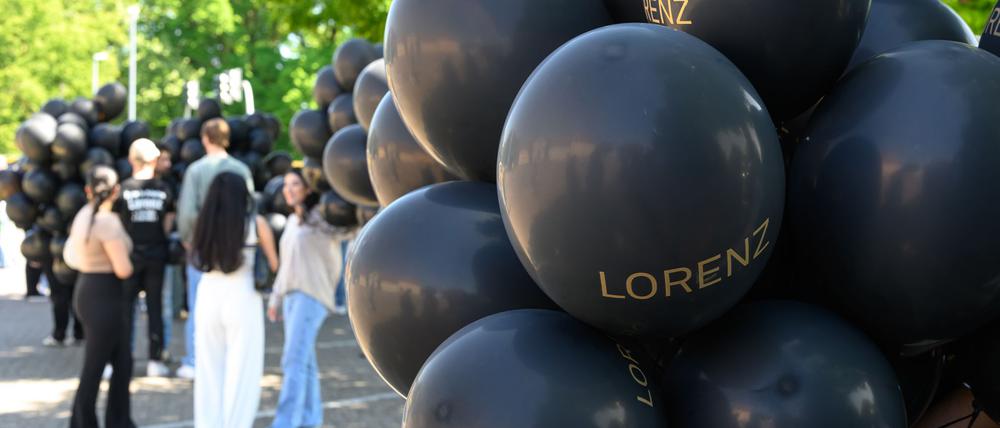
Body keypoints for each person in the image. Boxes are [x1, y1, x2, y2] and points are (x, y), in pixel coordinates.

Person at [190, 172, 277, 427]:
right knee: (243, 372)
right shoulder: (255, 224)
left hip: (208, 294)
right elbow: (273, 264)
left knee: (208, 369)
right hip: (242, 294)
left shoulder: (203, 223)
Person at [268, 170, 353, 428]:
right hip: (292, 297)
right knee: (303, 363)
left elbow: (349, 228)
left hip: (312, 297)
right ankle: (310, 420)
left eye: (295, 184)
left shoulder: (320, 220)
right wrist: (275, 299)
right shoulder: (293, 221)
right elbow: (286, 266)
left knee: (293, 360)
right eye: (285, 184)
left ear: (308, 189)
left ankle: (285, 423)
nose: (288, 189)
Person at [176, 118, 254, 379]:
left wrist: (191, 241)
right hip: (236, 249)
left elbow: (187, 213)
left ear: (204, 139)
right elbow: (251, 209)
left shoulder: (196, 170)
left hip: (204, 247)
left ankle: (194, 360)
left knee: (199, 305)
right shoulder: (241, 169)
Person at [63, 166, 135, 428]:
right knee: (95, 368)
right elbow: (123, 268)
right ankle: (85, 423)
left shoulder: (83, 215)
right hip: (106, 296)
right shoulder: (107, 222)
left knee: (122, 362)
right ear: (116, 191)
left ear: (87, 190)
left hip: (88, 290)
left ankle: (118, 420)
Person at [116, 139, 174, 377]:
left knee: (125, 310)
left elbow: (117, 225)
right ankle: (155, 361)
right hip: (156, 254)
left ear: (131, 160)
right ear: (154, 160)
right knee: (155, 308)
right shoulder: (164, 189)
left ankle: (121, 361)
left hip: (129, 256)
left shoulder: (123, 189)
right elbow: (168, 222)